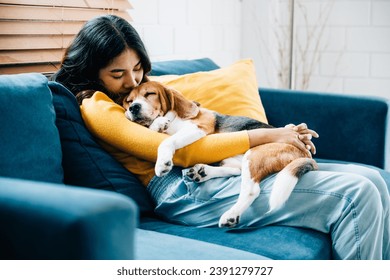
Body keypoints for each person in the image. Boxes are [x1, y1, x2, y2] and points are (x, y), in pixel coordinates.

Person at [52, 14, 389, 260]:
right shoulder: (97, 106)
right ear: (91, 70)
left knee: (375, 179)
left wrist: (283, 140)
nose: (131, 81)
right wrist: (268, 134)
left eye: (138, 68)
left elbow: (194, 118)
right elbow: (179, 155)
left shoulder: (143, 95)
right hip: (183, 189)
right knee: (355, 195)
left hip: (214, 170)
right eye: (117, 73)